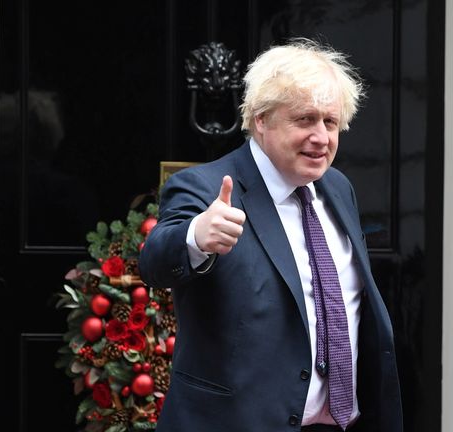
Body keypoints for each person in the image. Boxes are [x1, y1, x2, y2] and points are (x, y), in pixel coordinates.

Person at [139, 39, 402, 432]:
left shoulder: (338, 187)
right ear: (261, 119)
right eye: (304, 120)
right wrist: (196, 236)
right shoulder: (203, 186)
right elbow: (155, 263)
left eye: (330, 123)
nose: (321, 137)